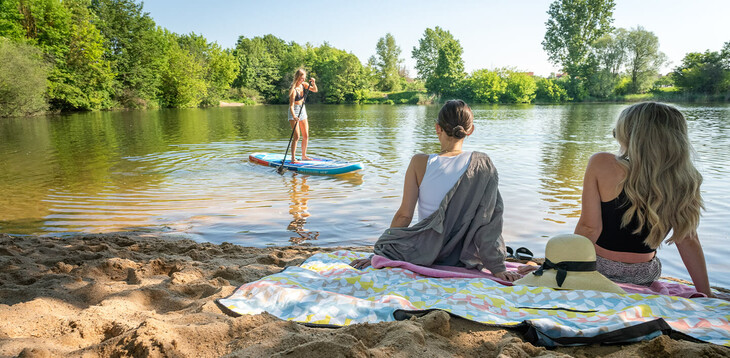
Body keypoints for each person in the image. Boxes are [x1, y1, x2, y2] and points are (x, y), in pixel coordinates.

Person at [522, 102, 712, 296]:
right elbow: (688, 240)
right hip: (644, 274)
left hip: (597, 269)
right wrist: (706, 294)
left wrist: (553, 267)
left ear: (630, 135)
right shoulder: (686, 178)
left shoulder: (602, 163)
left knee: (559, 243)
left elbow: (590, 228)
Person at [350, 100, 520, 282]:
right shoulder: (483, 165)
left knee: (389, 238)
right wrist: (497, 267)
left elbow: (404, 216)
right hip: (461, 256)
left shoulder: (419, 162)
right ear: (470, 130)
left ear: (437, 128)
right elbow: (489, 221)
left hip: (423, 252)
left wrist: (380, 253)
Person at [288, 68, 318, 162]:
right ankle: (293, 158)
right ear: (297, 78)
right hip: (294, 112)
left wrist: (313, 83)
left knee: (306, 135)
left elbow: (315, 90)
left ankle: (304, 156)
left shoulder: (303, 85)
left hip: (303, 110)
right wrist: (294, 116)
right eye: (302, 78)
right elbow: (291, 106)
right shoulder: (293, 90)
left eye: (304, 78)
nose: (303, 80)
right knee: (297, 136)